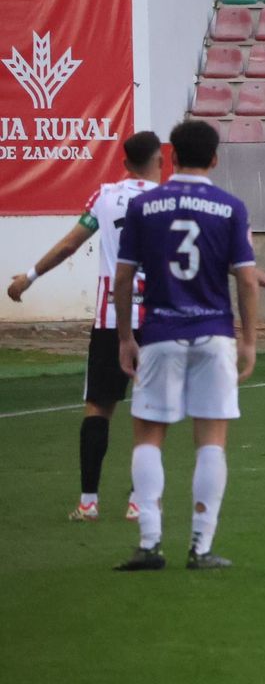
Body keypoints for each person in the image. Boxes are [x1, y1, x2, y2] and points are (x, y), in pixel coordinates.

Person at [112, 121, 258, 571]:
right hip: (214, 333)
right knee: (211, 440)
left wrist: (125, 337)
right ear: (214, 159)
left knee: (148, 437)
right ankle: (200, 547)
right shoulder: (231, 207)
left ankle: (150, 543)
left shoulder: (143, 206)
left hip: (160, 332)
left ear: (171, 156)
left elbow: (123, 277)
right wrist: (250, 340)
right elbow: (247, 280)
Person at [7, 133, 160, 522]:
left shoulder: (104, 197)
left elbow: (69, 245)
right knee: (150, 410)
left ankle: (88, 502)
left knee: (98, 407)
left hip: (111, 318)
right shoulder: (166, 200)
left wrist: (29, 277)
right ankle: (139, 501)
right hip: (156, 318)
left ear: (125, 163)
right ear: (158, 161)